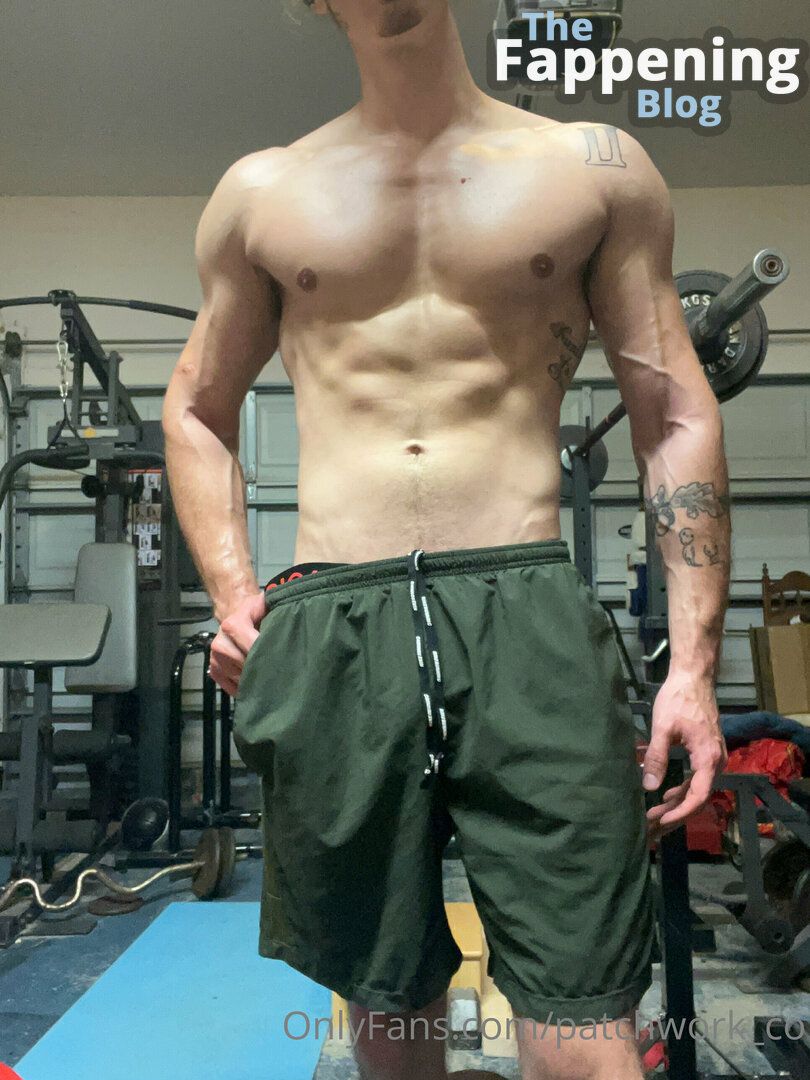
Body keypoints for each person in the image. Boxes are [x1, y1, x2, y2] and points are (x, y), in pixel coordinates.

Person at [161, 2, 730, 1077]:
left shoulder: (594, 169)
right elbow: (195, 407)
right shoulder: (262, 193)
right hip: (337, 620)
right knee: (391, 1009)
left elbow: (675, 413)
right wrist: (235, 595)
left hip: (527, 610)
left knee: (586, 1024)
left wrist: (693, 668)